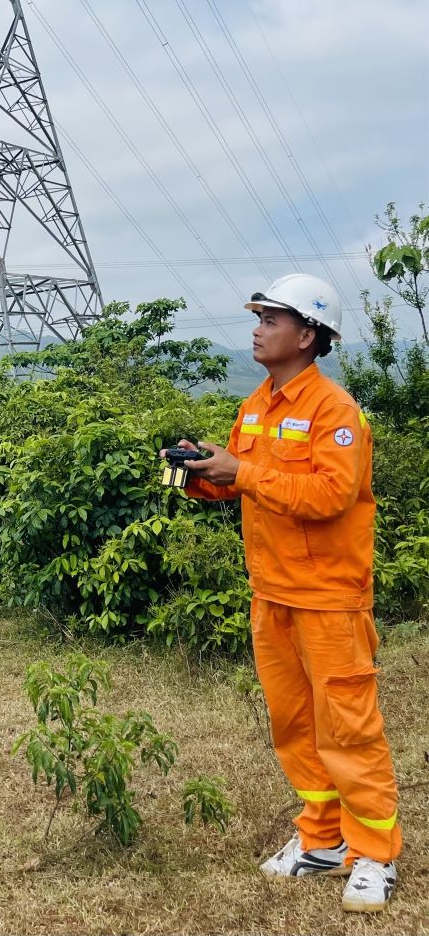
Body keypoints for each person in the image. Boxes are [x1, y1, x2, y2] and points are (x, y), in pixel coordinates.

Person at [167, 273, 401, 914]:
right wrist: (199, 473)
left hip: (329, 597)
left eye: (270, 318)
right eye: (259, 316)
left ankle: (374, 854)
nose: (257, 327)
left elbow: (329, 496)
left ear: (307, 334)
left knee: (347, 728)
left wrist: (242, 469)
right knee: (294, 725)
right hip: (271, 593)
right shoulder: (255, 407)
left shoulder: (336, 412)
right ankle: (322, 839)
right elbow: (243, 483)